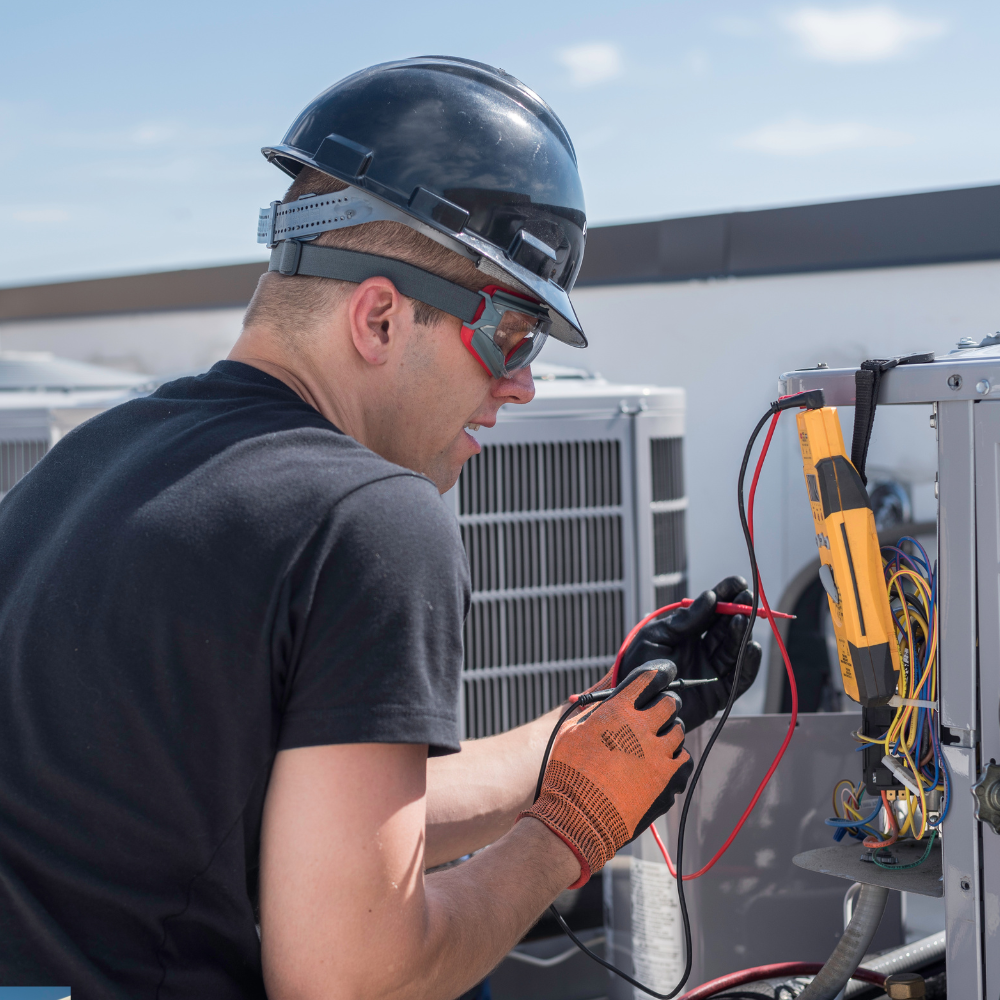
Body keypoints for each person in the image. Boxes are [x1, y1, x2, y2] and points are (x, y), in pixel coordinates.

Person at [0, 57, 760, 999]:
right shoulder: (368, 520)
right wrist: (569, 832)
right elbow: (355, 979)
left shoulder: (85, 465)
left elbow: (317, 828)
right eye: (512, 336)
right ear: (378, 317)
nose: (521, 385)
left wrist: (594, 728)